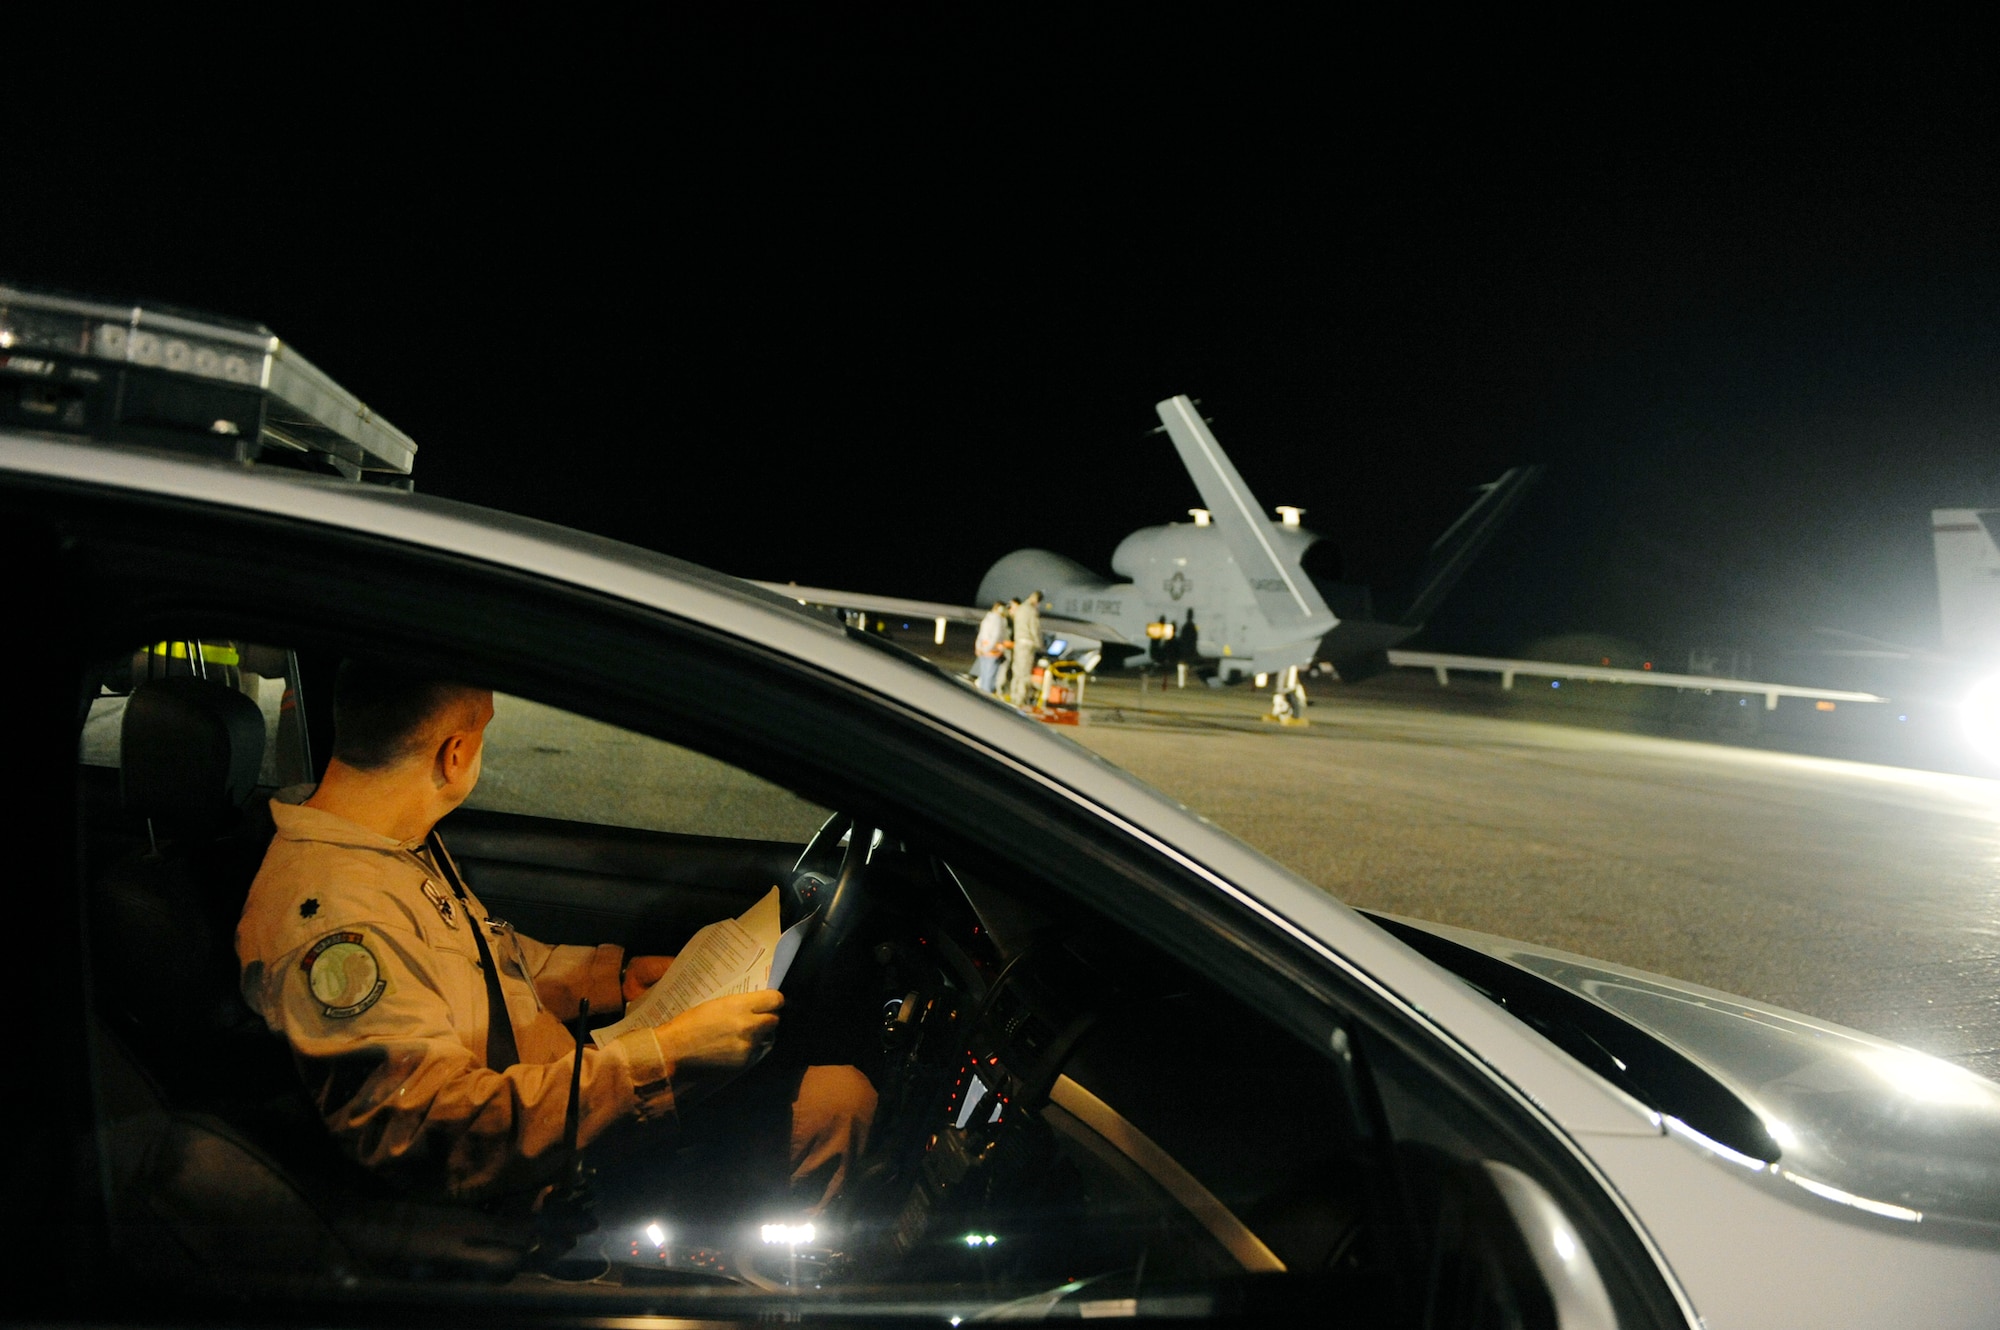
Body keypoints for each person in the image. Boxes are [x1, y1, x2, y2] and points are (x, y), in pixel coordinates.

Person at [237, 662, 875, 1207]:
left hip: (557, 1104)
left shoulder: (387, 845)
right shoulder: (337, 915)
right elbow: (428, 1131)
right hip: (533, 1177)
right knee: (836, 1102)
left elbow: (484, 960)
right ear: (453, 753)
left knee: (819, 1086)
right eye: (483, 732)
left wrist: (614, 979)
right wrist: (666, 1056)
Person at [1008, 591, 1042, 707]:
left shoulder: (1020, 609)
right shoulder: (1031, 611)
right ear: (1036, 600)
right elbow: (1034, 629)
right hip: (1027, 644)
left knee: (1016, 671)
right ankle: (1020, 699)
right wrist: (1039, 644)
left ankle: (1013, 694)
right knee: (1024, 674)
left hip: (1018, 643)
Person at [973, 601, 1008, 693]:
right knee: (989, 678)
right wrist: (985, 649)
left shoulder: (987, 618)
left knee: (984, 676)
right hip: (992, 652)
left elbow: (981, 635)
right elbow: (995, 637)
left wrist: (979, 647)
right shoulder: (998, 620)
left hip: (985, 650)